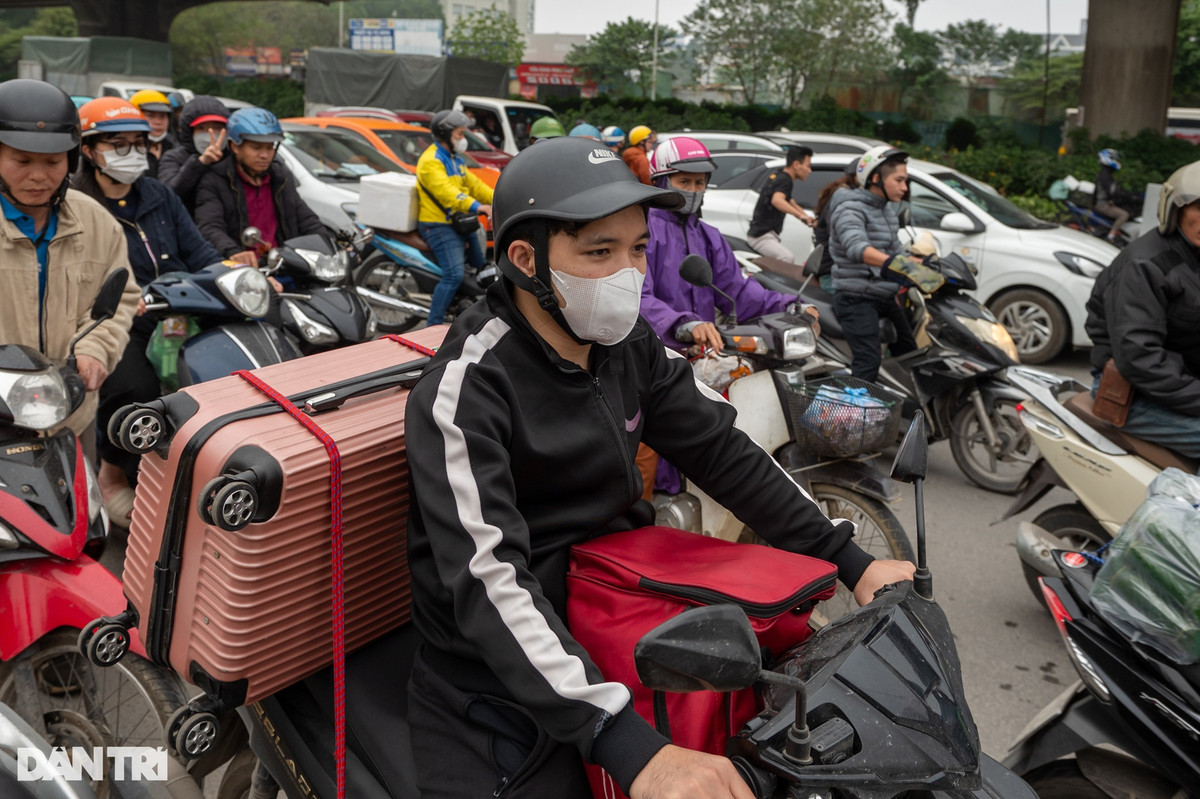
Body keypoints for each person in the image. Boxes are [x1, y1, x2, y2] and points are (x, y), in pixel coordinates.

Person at [402, 135, 914, 799]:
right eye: (599, 251)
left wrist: (854, 562)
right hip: (500, 675)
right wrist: (630, 746)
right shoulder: (470, 385)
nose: (628, 273)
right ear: (525, 259)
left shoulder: (627, 344)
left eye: (638, 248)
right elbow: (489, 577)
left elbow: (725, 451)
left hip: (622, 612)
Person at [72, 97, 221, 526]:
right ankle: (113, 472)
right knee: (133, 387)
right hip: (120, 319)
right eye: (118, 145)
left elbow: (199, 250)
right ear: (88, 150)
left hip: (181, 306)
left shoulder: (158, 194)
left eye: (139, 144)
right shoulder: (78, 207)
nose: (132, 153)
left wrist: (229, 272)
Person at [0, 79, 139, 455]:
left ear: (72, 159)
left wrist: (96, 348)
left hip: (71, 420)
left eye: (53, 162)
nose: (39, 176)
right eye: (22, 160)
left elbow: (121, 299)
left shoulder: (96, 221)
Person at [641, 136, 817, 356]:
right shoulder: (642, 234)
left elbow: (738, 292)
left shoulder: (709, 237)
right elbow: (638, 299)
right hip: (654, 357)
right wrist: (683, 324)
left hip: (703, 355)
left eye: (699, 183)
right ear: (661, 182)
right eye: (684, 182)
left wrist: (792, 306)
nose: (693, 191)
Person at [1083, 160, 1200, 459]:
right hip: (1131, 393)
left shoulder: (1194, 257)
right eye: (1199, 208)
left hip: (1177, 387)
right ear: (1174, 210)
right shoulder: (1146, 266)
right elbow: (1139, 357)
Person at [828, 145, 920, 382]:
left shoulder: (886, 210)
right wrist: (892, 263)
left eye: (906, 181)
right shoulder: (850, 208)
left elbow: (896, 251)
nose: (904, 187)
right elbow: (857, 248)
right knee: (868, 361)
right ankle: (853, 416)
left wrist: (923, 264)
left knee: (909, 353)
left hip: (883, 295)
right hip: (855, 297)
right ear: (876, 178)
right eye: (899, 180)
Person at [193, 106, 323, 264]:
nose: (265, 155)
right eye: (256, 147)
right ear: (234, 146)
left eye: (270, 147)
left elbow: (307, 219)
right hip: (243, 273)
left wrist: (331, 244)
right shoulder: (215, 179)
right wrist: (232, 251)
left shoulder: (281, 177)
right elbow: (209, 227)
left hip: (284, 264)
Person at [415, 108, 493, 326]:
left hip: (459, 223)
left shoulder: (454, 158)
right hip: (438, 226)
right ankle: (434, 323)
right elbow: (449, 194)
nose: (463, 139)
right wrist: (479, 207)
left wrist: (499, 198)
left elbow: (474, 185)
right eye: (459, 134)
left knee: (481, 266)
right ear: (444, 134)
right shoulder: (432, 161)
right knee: (454, 275)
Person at [157, 95, 229, 212]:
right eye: (202, 128)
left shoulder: (233, 159)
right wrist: (200, 163)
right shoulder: (173, 158)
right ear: (190, 132)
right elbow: (167, 194)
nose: (210, 134)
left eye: (217, 128)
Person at [746, 145, 815, 263]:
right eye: (808, 166)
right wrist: (801, 216)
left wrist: (808, 218)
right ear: (796, 165)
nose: (810, 170)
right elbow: (777, 200)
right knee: (787, 258)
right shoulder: (785, 180)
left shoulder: (780, 175)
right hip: (762, 237)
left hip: (765, 235)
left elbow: (789, 201)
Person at [811, 158, 861, 290]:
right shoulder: (844, 198)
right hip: (832, 270)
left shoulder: (852, 197)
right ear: (857, 177)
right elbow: (844, 236)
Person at [1093, 148, 1138, 242]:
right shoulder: (1104, 175)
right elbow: (1113, 191)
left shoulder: (1106, 173)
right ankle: (1111, 236)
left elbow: (1114, 190)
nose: (1116, 161)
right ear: (1107, 159)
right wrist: (1128, 196)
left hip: (1107, 202)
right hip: (1103, 205)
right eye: (1114, 159)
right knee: (1124, 215)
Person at [129, 89, 175, 177]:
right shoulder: (125, 151)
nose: (158, 122)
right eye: (151, 115)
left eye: (162, 116)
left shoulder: (175, 147)